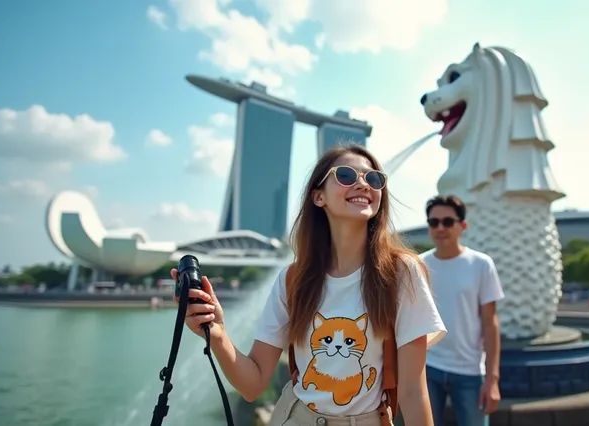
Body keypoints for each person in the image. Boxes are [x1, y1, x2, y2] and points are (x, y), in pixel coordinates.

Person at [172, 144, 447, 426]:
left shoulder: (400, 272)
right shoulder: (293, 280)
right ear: (318, 197)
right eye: (346, 175)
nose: (363, 184)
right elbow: (252, 385)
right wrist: (217, 334)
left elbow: (413, 391)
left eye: (374, 178)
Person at [419, 195, 504, 426]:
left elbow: (490, 322)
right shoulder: (417, 266)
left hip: (469, 371)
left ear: (462, 226)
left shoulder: (481, 264)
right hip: (427, 369)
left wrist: (492, 379)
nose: (440, 228)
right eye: (433, 222)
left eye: (448, 221)